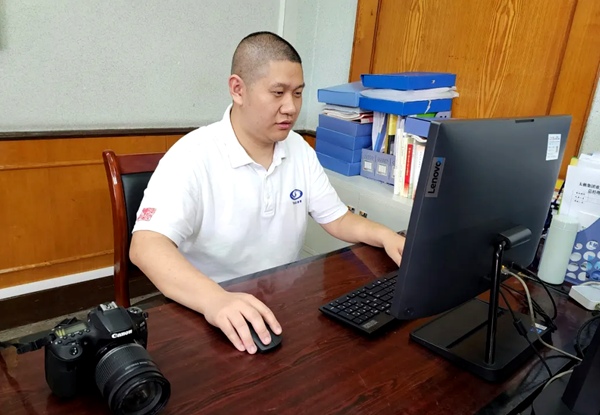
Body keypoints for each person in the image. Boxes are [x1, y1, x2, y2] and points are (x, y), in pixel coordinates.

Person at [130, 31, 405, 354]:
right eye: (278, 93)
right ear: (238, 89)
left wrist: (387, 236)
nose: (291, 107)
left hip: (282, 306)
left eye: (298, 93)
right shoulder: (192, 155)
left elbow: (338, 219)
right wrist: (215, 299)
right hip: (209, 311)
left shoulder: (298, 149)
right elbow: (146, 247)